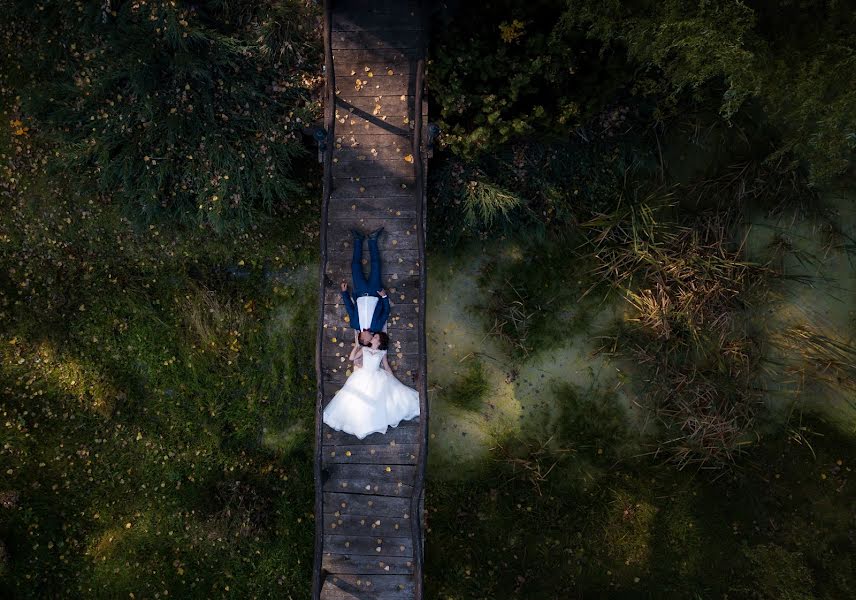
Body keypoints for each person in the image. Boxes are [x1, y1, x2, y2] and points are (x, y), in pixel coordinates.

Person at [322, 331, 420, 439]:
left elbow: (386, 366)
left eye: (376, 337)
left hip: (377, 376)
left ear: (379, 341)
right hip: (362, 374)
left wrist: (393, 379)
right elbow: (352, 358)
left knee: (381, 396)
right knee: (354, 398)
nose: (373, 337)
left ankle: (373, 420)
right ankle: (359, 422)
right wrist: (356, 346)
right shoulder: (364, 349)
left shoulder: (382, 352)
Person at [341, 227, 389, 347]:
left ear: (364, 340)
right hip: (375, 292)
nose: (372, 338)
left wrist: (344, 293)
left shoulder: (355, 324)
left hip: (360, 292)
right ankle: (372, 240)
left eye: (369, 339)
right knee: (376, 265)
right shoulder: (377, 327)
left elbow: (350, 308)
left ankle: (358, 240)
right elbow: (386, 311)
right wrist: (384, 297)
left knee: (355, 266)